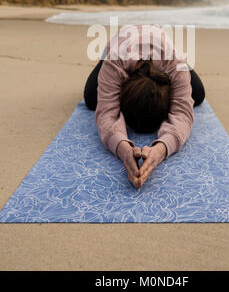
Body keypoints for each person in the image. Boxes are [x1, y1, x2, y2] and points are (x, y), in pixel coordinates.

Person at [84, 24, 205, 189]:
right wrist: (123, 149)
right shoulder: (115, 61)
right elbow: (106, 113)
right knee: (91, 100)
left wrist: (161, 150)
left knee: (198, 95)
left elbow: (182, 113)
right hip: (121, 41)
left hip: (162, 42)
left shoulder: (176, 64)